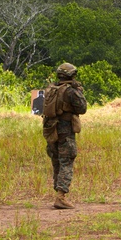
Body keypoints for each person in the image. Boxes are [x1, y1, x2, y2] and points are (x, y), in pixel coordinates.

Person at [42, 63, 87, 210]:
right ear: (72, 75)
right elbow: (82, 108)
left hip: (51, 129)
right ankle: (60, 197)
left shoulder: (51, 89)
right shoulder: (70, 91)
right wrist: (78, 91)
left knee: (56, 161)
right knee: (66, 161)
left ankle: (58, 192)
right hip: (65, 130)